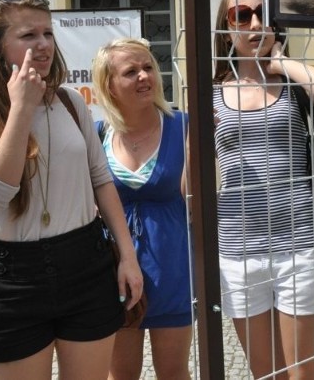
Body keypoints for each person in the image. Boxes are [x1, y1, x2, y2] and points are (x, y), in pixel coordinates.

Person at [0, 0, 143, 380]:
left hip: (84, 262)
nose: (42, 45)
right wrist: (20, 108)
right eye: (27, 35)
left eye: (48, 33)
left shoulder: (71, 102)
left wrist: (127, 255)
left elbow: (101, 180)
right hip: (14, 277)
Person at [212, 0, 314, 379]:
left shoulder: (293, 84)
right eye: (242, 15)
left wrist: (280, 62)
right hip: (239, 251)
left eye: (264, 14)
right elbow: (194, 179)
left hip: (299, 246)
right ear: (226, 27)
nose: (255, 23)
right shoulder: (211, 96)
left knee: (306, 375)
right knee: (266, 375)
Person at [92, 38, 193, 380]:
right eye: (130, 71)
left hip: (173, 268)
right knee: (121, 375)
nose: (144, 77)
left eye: (148, 67)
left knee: (174, 372)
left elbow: (195, 199)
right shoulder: (98, 134)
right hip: (115, 270)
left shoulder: (183, 126)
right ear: (109, 85)